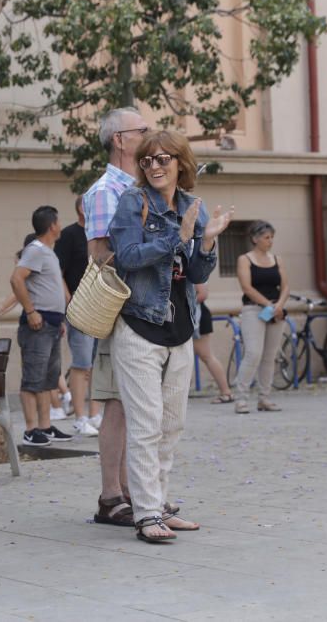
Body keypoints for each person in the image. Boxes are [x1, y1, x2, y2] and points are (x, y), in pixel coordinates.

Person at [108, 129, 232, 542]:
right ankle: (146, 515)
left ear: (181, 162)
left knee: (172, 424)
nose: (155, 166)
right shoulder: (133, 201)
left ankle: (159, 503)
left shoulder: (189, 205)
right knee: (145, 425)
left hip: (180, 329)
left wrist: (208, 240)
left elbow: (196, 274)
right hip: (140, 325)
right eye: (147, 160)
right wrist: (173, 238)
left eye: (164, 159)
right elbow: (126, 256)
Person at [82, 107, 148, 527]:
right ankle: (111, 496)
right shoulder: (107, 190)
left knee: (133, 405)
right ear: (120, 140)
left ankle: (132, 493)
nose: (150, 137)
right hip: (122, 311)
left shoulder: (140, 187)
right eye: (143, 130)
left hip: (142, 312)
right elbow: (100, 256)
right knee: (117, 406)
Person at [10, 206, 74, 447]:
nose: (60, 225)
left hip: (53, 324)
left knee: (48, 378)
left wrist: (61, 320)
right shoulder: (35, 251)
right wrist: (30, 311)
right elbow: (17, 278)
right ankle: (30, 429)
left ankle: (45, 426)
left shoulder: (48, 252)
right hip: (38, 324)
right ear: (52, 226)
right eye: (58, 222)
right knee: (33, 379)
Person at [54, 195, 101, 435]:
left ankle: (95, 414)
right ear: (81, 209)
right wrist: (68, 298)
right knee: (82, 364)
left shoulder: (100, 233)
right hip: (79, 308)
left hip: (100, 307)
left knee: (97, 364)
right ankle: (80, 417)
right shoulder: (70, 235)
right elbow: (58, 271)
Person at [233, 220, 288, 413]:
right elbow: (246, 287)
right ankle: (241, 398)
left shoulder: (277, 259)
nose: (270, 241)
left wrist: (279, 305)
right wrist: (269, 305)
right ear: (255, 239)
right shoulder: (245, 259)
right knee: (253, 353)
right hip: (254, 310)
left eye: (272, 237)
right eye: (266, 237)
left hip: (276, 312)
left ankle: (264, 397)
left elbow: (285, 286)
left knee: (270, 356)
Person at [192, 283, 233, 404]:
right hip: (193, 317)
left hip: (196, 318)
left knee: (206, 356)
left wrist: (182, 306)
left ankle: (226, 392)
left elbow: (203, 294)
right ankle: (226, 392)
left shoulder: (193, 265)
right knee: (205, 356)